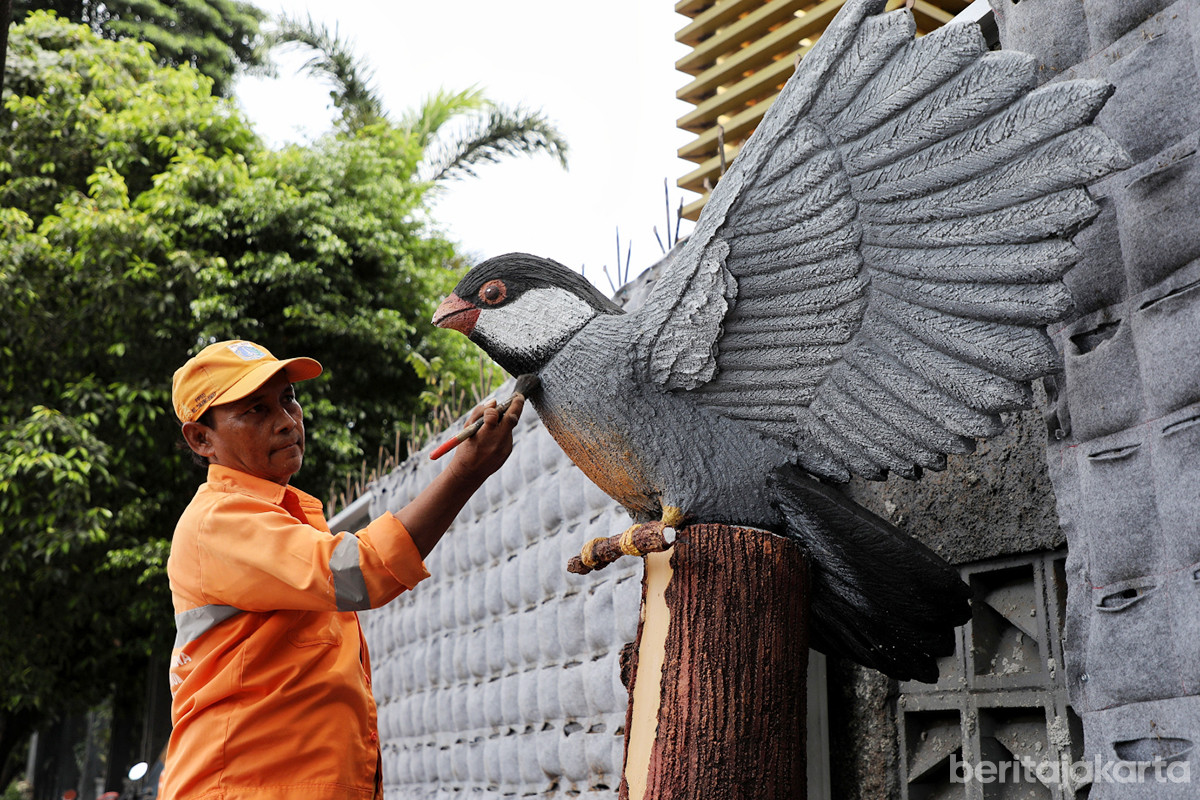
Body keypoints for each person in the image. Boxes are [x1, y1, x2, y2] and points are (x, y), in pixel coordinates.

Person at [160, 339, 523, 800]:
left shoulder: (277, 514)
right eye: (254, 410)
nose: (286, 421)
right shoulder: (219, 521)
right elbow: (360, 572)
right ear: (201, 439)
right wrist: (464, 472)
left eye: (288, 398)